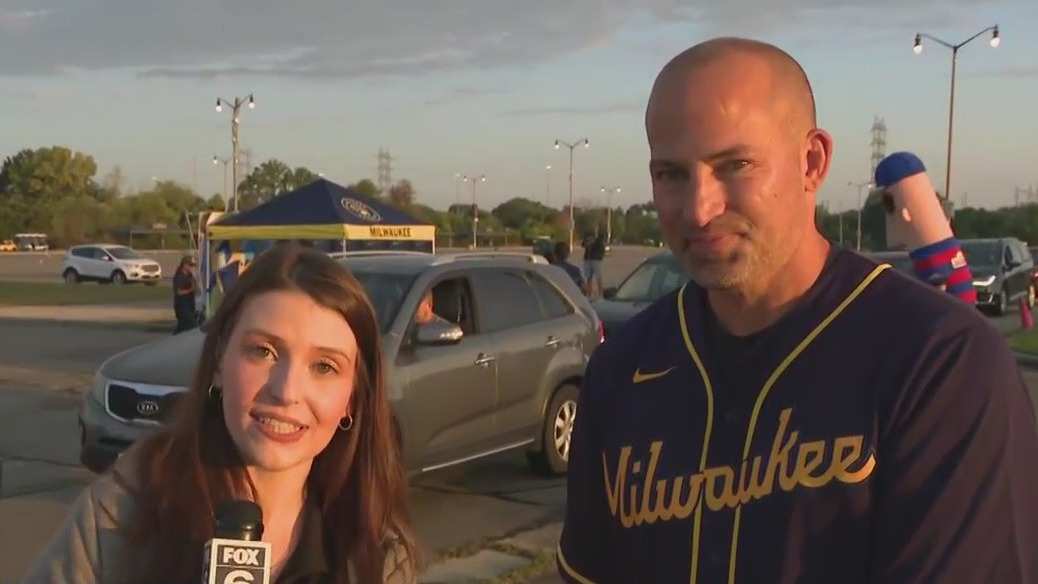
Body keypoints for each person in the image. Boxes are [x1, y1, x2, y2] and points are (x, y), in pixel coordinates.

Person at [557, 37, 1038, 584]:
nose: (700, 208)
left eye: (734, 164)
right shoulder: (624, 369)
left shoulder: (941, 363)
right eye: (672, 174)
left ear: (812, 162)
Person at [25, 244, 418, 584]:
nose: (286, 391)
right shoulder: (117, 519)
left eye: (324, 367)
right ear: (218, 361)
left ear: (352, 398)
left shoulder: (376, 552)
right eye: (263, 352)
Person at [172, 254, 199, 333]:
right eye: (190, 265)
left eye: (193, 266)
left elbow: (194, 287)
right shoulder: (179, 276)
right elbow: (178, 292)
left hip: (190, 305)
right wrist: (190, 290)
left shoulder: (190, 276)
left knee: (183, 328)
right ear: (185, 265)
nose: (192, 268)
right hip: (182, 307)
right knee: (188, 326)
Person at [581, 228, 606, 297]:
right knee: (589, 278)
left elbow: (600, 247)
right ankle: (589, 295)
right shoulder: (588, 239)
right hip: (588, 259)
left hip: (596, 259)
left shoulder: (599, 240)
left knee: (598, 278)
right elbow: (583, 244)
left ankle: (600, 295)